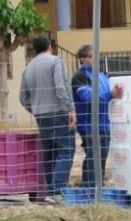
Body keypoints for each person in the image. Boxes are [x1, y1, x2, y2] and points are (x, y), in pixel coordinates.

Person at [19, 36, 75, 200]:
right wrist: (70, 108)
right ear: (50, 47)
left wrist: (35, 109)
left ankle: (50, 192)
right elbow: (61, 87)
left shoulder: (27, 68)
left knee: (49, 154)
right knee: (66, 151)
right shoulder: (56, 61)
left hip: (41, 116)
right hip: (58, 113)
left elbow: (23, 98)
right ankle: (56, 191)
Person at [71, 44, 124, 189]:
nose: (96, 59)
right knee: (93, 158)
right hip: (89, 125)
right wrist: (110, 94)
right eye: (92, 56)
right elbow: (88, 97)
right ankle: (90, 189)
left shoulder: (102, 76)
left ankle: (98, 189)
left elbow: (110, 96)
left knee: (101, 159)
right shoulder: (80, 76)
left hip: (105, 124)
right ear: (83, 59)